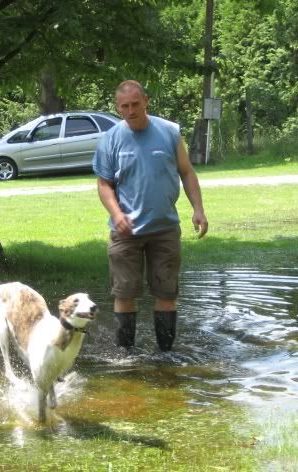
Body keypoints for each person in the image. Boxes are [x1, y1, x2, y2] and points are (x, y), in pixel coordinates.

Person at [93, 80, 208, 352]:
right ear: (117, 107)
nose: (131, 110)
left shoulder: (168, 132)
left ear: (146, 100)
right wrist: (116, 213)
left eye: (135, 104)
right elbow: (104, 184)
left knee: (166, 293)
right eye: (125, 106)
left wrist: (198, 209)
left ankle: (166, 355)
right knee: (125, 294)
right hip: (125, 231)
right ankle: (125, 356)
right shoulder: (110, 139)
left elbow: (187, 172)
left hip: (165, 228)